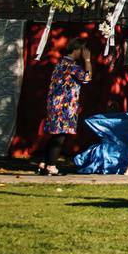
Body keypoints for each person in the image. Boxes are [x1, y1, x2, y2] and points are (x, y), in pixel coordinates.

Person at [35, 41, 92, 175]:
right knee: (60, 135)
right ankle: (51, 166)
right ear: (77, 50)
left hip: (54, 104)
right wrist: (88, 60)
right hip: (64, 105)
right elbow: (87, 78)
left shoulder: (60, 63)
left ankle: (45, 163)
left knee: (55, 134)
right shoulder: (71, 65)